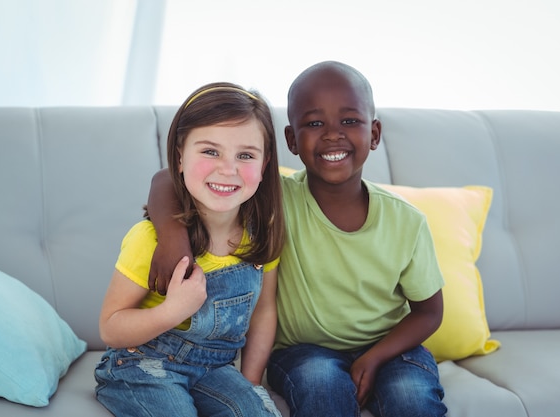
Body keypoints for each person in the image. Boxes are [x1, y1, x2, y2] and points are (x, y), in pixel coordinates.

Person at [146, 61, 447, 417]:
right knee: (320, 384)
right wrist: (172, 238)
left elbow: (430, 312)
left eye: (349, 120)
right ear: (291, 140)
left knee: (411, 397)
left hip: (390, 348)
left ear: (375, 133)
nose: (333, 134)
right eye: (314, 123)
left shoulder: (406, 221)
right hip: (303, 351)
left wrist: (375, 356)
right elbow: (167, 178)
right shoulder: (275, 198)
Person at [94, 82, 285, 417]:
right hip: (142, 364)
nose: (228, 168)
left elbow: (264, 311)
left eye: (245, 155)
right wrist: (171, 311)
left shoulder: (262, 236)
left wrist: (250, 382)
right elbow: (110, 328)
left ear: (265, 164)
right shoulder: (148, 239)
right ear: (180, 157)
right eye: (210, 151)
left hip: (215, 369)